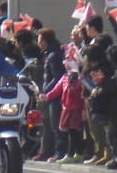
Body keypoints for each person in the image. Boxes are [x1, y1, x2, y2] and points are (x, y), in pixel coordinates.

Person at [39, 59, 85, 164]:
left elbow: (83, 95)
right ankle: (76, 153)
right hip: (67, 108)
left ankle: (72, 153)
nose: (66, 66)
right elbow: (56, 90)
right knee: (71, 132)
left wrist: (84, 110)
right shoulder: (65, 78)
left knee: (75, 132)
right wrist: (46, 96)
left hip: (77, 108)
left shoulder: (80, 78)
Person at [32, 28, 67, 162]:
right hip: (52, 93)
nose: (38, 43)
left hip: (55, 95)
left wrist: (46, 90)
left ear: (46, 41)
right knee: (51, 123)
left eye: (40, 40)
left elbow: (57, 76)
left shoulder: (53, 55)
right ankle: (53, 151)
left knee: (55, 124)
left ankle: (59, 151)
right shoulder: (51, 53)